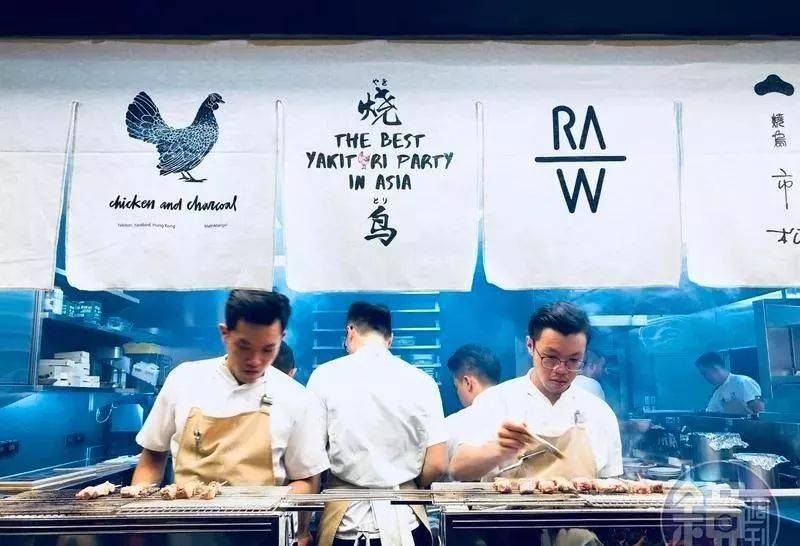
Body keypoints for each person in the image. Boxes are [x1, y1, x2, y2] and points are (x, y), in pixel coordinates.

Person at [132, 290, 329, 545]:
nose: (255, 361)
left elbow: (305, 476)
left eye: (268, 349)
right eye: (244, 346)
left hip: (262, 537)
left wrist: (298, 530)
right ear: (225, 333)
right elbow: (152, 457)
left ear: (281, 338)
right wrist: (136, 530)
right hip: (186, 535)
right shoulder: (184, 379)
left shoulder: (296, 398)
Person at [307, 302, 448, 546]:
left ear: (350, 331)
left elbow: (310, 461)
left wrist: (302, 530)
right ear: (390, 339)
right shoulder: (423, 382)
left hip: (346, 525)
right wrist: (402, 481)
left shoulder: (324, 376)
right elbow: (437, 463)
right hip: (407, 523)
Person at [450, 301, 622, 482]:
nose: (561, 369)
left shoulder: (599, 412)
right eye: (551, 357)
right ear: (530, 346)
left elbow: (612, 485)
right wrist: (498, 450)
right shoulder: (495, 401)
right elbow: (458, 469)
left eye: (573, 360)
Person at [445, 344, 501, 461]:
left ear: (467, 382)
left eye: (456, 386)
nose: (458, 392)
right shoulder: (519, 414)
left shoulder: (451, 426)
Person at [695, 351, 765, 415]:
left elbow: (761, 414)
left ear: (715, 368)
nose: (705, 378)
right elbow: (710, 415)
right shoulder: (717, 393)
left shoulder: (743, 382)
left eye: (704, 373)